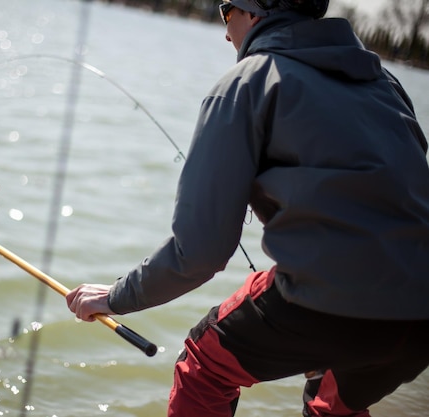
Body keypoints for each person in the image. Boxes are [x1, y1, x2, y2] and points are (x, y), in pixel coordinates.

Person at [66, 0, 429, 416]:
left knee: (204, 363)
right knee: (331, 400)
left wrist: (116, 297)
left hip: (333, 302)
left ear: (255, 12)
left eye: (227, 12)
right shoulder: (387, 83)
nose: (225, 31)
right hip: (421, 319)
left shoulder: (246, 82)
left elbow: (199, 253)